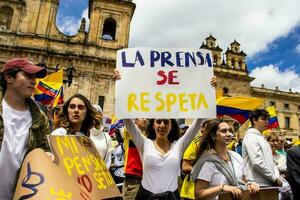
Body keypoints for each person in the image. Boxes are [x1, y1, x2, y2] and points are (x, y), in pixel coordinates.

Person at [0, 57, 50, 199]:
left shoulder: (40, 119)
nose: (34, 81)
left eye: (34, 77)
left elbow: (44, 150)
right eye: (28, 75)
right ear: (9, 77)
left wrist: (47, 156)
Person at [191, 118, 259, 200]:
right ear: (213, 135)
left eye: (230, 131)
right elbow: (199, 194)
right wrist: (222, 188)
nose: (229, 134)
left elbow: (243, 182)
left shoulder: (236, 157)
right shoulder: (208, 162)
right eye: (224, 131)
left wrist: (251, 185)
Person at [51, 93, 113, 168]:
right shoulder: (60, 133)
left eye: (80, 107)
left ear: (86, 113)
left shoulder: (86, 138)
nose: (76, 110)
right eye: (72, 107)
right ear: (67, 111)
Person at [242, 109, 282, 187]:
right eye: (263, 119)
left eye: (268, 120)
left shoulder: (260, 137)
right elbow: (257, 162)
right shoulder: (251, 137)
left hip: (266, 182)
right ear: (254, 120)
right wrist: (274, 179)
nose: (267, 122)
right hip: (257, 183)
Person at [180, 119, 210, 200]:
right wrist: (207, 173)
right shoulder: (196, 142)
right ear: (202, 129)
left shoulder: (215, 144)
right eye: (208, 126)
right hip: (191, 192)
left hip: (208, 191)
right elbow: (185, 167)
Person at [123, 118, 147, 200]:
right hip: (133, 180)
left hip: (146, 180)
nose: (145, 119)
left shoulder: (149, 137)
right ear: (135, 121)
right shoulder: (129, 133)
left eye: (146, 118)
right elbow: (128, 121)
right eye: (142, 117)